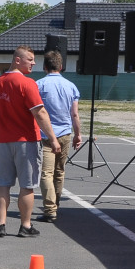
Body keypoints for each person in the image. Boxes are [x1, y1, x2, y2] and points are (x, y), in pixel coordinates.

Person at [0, 46, 61, 238]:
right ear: (17, 60)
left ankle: (0, 224)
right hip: (25, 140)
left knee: (3, 184)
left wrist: (2, 133)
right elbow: (40, 112)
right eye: (30, 59)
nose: (34, 63)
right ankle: (25, 226)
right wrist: (53, 138)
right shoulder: (27, 84)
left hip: (4, 141)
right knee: (27, 186)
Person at [35, 50, 82, 223]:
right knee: (59, 172)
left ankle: (49, 209)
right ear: (61, 66)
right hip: (65, 134)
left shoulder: (38, 85)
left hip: (45, 134)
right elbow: (74, 114)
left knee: (46, 173)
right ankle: (56, 204)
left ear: (44, 66)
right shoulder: (71, 86)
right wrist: (78, 134)